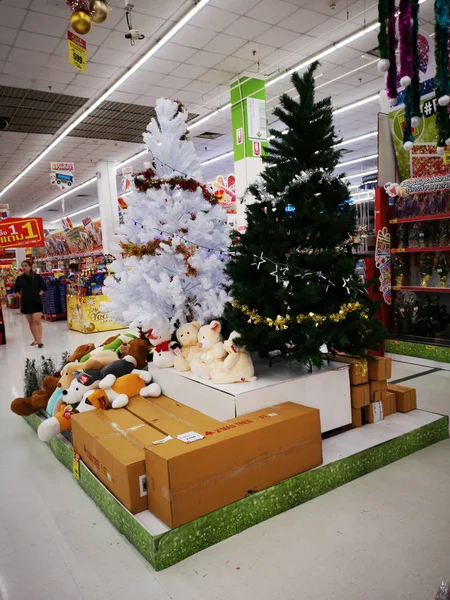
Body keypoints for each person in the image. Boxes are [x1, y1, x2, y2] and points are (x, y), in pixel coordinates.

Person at [14, 260, 47, 348]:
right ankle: (36, 339)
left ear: (30, 266)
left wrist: (38, 295)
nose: (24, 267)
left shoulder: (37, 277)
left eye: (25, 266)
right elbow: (16, 290)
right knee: (31, 322)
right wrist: (21, 297)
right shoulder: (20, 278)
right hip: (26, 303)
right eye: (22, 266)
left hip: (36, 302)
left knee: (37, 321)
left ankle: (40, 341)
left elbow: (44, 288)